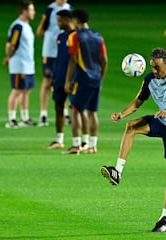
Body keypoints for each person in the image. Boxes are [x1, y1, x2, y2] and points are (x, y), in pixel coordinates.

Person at [100, 48, 166, 232]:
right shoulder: (150, 80)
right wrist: (122, 114)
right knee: (130, 126)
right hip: (161, 120)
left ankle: (164, 219)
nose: (154, 71)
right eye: (152, 67)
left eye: (158, 67)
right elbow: (138, 101)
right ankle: (117, 171)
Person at [62, 9, 108, 154]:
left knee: (75, 110)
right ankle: (92, 145)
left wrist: (68, 81)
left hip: (82, 78)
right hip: (96, 78)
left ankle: (77, 145)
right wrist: (100, 79)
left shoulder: (75, 36)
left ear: (75, 20)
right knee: (92, 112)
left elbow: (73, 60)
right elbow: (104, 60)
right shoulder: (98, 36)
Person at [46, 9, 89, 150]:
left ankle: (84, 141)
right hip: (59, 78)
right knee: (58, 106)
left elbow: (76, 59)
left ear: (67, 20)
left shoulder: (77, 36)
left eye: (60, 20)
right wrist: (53, 77)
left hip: (74, 79)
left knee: (78, 109)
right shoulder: (60, 37)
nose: (58, 23)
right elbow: (59, 58)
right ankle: (59, 140)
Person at [36, 0, 73, 127]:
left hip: (65, 51)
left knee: (66, 80)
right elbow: (40, 31)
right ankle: (43, 114)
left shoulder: (70, 8)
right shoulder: (50, 10)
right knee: (47, 82)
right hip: (50, 52)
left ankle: (65, 112)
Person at [4, 0, 37, 128]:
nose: (33, 12)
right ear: (24, 11)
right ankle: (11, 118)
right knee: (17, 90)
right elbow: (11, 44)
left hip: (28, 64)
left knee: (26, 90)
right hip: (20, 64)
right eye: (31, 10)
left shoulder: (27, 26)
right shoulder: (18, 26)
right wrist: (9, 57)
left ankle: (24, 117)